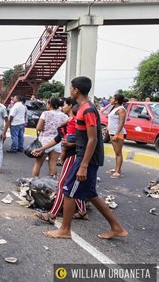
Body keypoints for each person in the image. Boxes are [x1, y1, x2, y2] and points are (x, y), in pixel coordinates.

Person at [45, 76, 127, 239]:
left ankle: (65, 230)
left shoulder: (87, 109)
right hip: (85, 157)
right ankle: (117, 227)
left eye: (70, 88)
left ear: (76, 90)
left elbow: (93, 139)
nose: (69, 91)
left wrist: (83, 165)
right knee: (90, 194)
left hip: (86, 158)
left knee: (68, 190)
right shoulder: (82, 108)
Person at [32, 98, 87, 223]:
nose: (63, 107)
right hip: (72, 155)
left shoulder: (74, 122)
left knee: (63, 184)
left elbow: (79, 140)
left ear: (71, 106)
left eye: (66, 104)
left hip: (73, 156)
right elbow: (58, 138)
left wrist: (69, 145)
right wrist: (42, 148)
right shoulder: (68, 121)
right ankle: (82, 209)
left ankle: (52, 214)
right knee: (74, 184)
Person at [32, 97, 67, 178]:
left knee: (38, 164)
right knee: (52, 164)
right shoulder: (64, 116)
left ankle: (33, 183)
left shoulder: (45, 113)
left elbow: (39, 128)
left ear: (50, 104)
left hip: (44, 142)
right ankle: (52, 184)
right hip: (57, 142)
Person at [106, 94, 127, 179]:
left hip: (118, 134)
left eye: (112, 99)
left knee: (118, 153)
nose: (110, 100)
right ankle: (116, 169)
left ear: (116, 101)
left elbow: (122, 123)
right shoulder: (114, 108)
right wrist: (108, 128)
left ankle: (118, 172)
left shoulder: (121, 109)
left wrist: (116, 134)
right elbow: (113, 121)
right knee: (116, 152)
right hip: (112, 132)